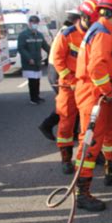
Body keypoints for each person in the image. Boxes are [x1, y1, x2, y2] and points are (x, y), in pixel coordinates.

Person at [74, 0, 112, 212]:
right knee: (90, 143)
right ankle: (82, 192)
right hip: (92, 94)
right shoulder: (104, 34)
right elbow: (96, 68)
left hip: (97, 93)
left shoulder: (102, 31)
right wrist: (108, 91)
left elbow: (107, 63)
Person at [53, 0, 99, 174]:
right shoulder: (67, 35)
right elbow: (57, 60)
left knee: (90, 123)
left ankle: (92, 153)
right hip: (69, 87)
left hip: (88, 86)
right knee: (66, 123)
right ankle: (66, 159)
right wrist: (71, 80)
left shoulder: (96, 34)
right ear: (83, 17)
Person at [38, 11, 81, 141]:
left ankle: (72, 131)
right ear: (76, 21)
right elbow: (59, 57)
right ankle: (48, 125)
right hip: (58, 71)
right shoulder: (67, 33)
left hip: (57, 69)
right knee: (67, 104)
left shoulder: (65, 30)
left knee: (72, 103)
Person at [17, 15, 50, 105]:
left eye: (36, 23)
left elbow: (45, 46)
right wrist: (29, 58)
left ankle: (37, 96)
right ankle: (33, 98)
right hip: (29, 63)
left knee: (37, 80)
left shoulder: (39, 34)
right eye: (32, 22)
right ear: (29, 23)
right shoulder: (23, 35)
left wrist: (52, 52)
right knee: (32, 81)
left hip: (38, 62)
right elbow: (21, 48)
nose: (34, 24)